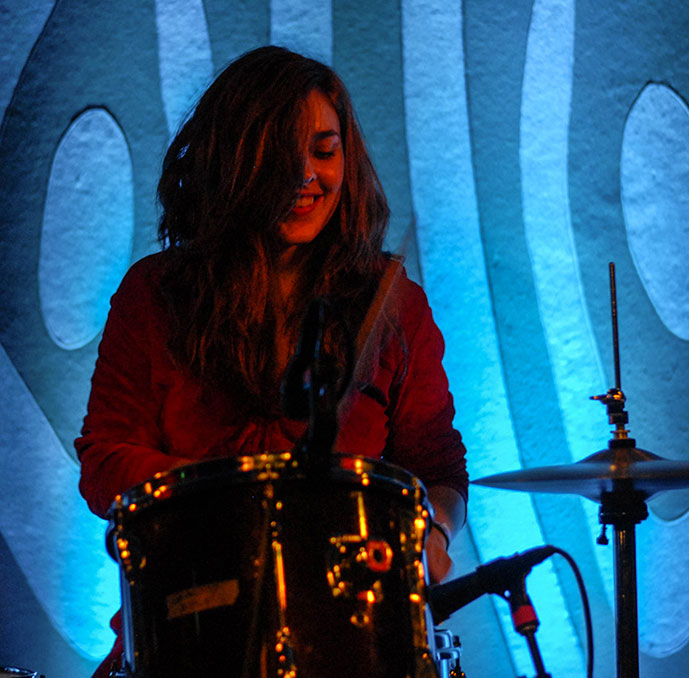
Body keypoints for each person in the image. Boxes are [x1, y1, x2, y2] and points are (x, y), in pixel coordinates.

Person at [76, 46, 468, 675]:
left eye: (323, 150)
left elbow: (436, 465)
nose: (305, 177)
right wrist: (242, 505)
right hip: (191, 621)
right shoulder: (155, 293)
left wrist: (436, 538)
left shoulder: (395, 306)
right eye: (278, 155)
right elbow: (104, 457)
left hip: (352, 633)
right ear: (232, 162)